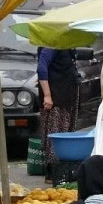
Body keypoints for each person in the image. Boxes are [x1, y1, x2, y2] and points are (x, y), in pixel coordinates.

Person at [37, 47, 80, 183]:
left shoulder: (67, 46)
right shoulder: (51, 46)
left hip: (68, 98)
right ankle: (52, 170)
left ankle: (64, 170)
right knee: (55, 133)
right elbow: (41, 69)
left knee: (67, 133)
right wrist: (47, 95)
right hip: (56, 99)